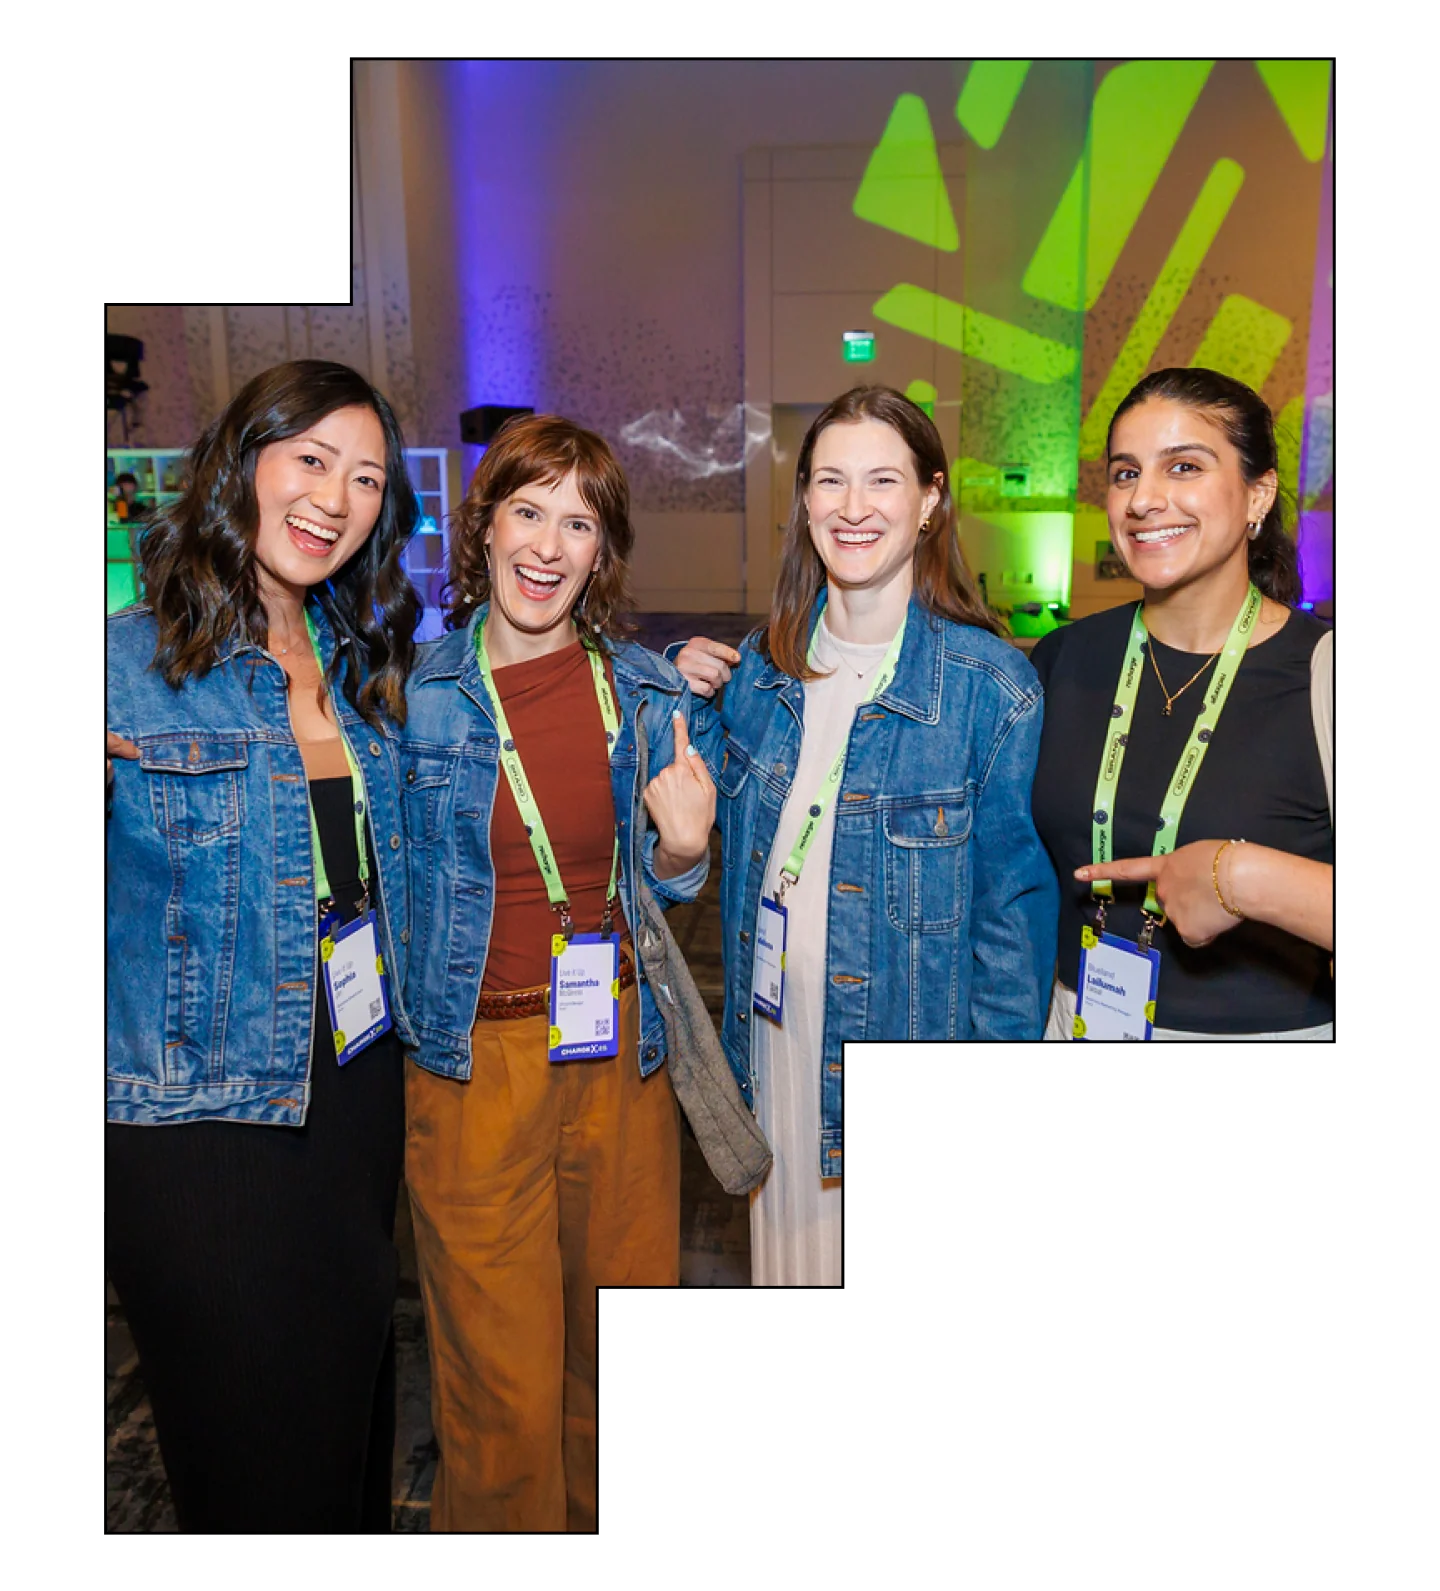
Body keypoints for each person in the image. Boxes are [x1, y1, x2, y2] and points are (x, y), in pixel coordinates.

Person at [107, 359, 422, 1530]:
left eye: (366, 478)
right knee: (252, 1474)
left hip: (351, 1096)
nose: (336, 498)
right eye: (310, 461)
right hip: (201, 1131)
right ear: (242, 462)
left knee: (344, 1445)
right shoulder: (128, 665)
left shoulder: (361, 665)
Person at [396, 414, 715, 1532]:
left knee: (607, 1355)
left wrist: (681, 856)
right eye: (527, 510)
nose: (548, 543)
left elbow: (667, 883)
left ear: (601, 550)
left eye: (577, 521)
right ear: (481, 526)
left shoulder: (646, 691)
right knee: (501, 1386)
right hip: (473, 1065)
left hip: (622, 1057)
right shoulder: (409, 697)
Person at [673, 384, 1057, 1287]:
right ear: (803, 500)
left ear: (928, 502)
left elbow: (1011, 933)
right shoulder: (759, 674)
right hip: (773, 1049)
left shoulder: (990, 690)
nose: (852, 508)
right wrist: (669, 688)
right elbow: (672, 844)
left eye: (881, 480)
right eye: (830, 481)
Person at [1029, 366, 1333, 1041]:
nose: (1144, 499)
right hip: (1074, 1019)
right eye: (1126, 473)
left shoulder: (1321, 672)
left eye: (1185, 467)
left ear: (1258, 494)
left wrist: (1242, 877)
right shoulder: (1062, 661)